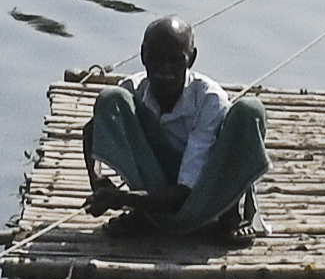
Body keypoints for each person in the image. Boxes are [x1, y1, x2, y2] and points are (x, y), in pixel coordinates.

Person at [82, 16, 268, 239]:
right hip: (158, 178)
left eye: (175, 60)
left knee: (249, 110)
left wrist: (122, 199)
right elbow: (92, 130)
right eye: (156, 59)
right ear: (143, 56)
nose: (164, 69)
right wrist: (97, 180)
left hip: (204, 188)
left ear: (191, 59)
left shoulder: (209, 100)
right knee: (111, 98)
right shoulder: (133, 91)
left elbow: (187, 190)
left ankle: (228, 212)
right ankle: (145, 212)